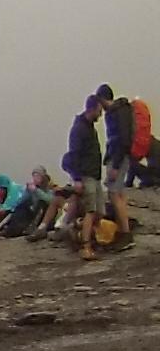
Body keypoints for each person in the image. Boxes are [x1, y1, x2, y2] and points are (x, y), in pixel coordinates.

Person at [66, 93, 108, 260]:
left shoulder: (89, 127)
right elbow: (74, 154)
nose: (101, 114)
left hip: (95, 175)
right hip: (86, 175)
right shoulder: (79, 129)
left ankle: (76, 229)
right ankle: (86, 247)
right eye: (99, 110)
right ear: (92, 109)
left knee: (99, 213)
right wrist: (76, 178)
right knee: (91, 211)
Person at [97, 85, 135, 250]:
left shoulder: (116, 112)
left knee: (113, 193)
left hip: (119, 158)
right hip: (119, 156)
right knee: (119, 192)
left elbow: (122, 140)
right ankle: (122, 227)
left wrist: (116, 165)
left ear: (103, 99)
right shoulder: (122, 110)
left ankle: (126, 234)